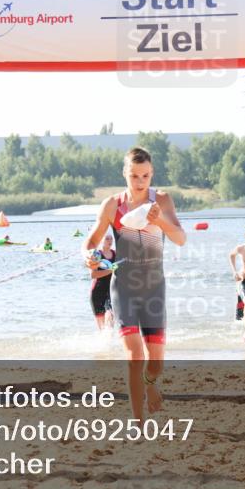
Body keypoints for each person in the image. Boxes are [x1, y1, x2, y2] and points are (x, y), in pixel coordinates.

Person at [82, 147, 186, 420]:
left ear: (151, 174)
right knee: (133, 357)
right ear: (124, 174)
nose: (140, 182)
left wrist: (160, 220)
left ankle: (151, 385)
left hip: (154, 288)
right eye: (134, 176)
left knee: (155, 364)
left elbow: (180, 238)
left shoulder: (161, 200)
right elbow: (92, 240)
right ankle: (138, 421)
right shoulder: (112, 205)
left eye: (145, 176)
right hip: (124, 287)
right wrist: (88, 256)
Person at [89, 234, 116, 330]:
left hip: (111, 291)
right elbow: (93, 274)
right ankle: (102, 343)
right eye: (107, 239)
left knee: (111, 320)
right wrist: (110, 270)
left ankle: (111, 343)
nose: (110, 240)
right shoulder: (96, 255)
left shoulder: (115, 254)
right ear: (101, 241)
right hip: (97, 292)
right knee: (101, 328)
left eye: (111, 238)